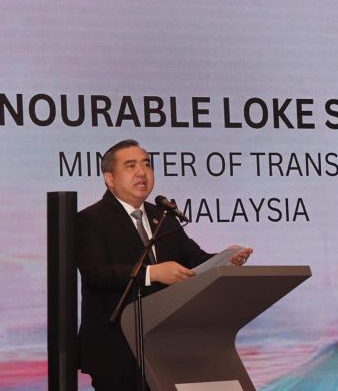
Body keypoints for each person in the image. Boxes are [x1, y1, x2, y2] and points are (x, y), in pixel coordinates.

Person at [76, 139, 253, 390]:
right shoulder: (90, 219)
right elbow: (96, 274)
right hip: (116, 349)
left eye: (147, 164)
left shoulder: (164, 217)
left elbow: (195, 260)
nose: (142, 172)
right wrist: (151, 273)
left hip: (165, 346)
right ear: (110, 178)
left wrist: (225, 259)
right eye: (131, 166)